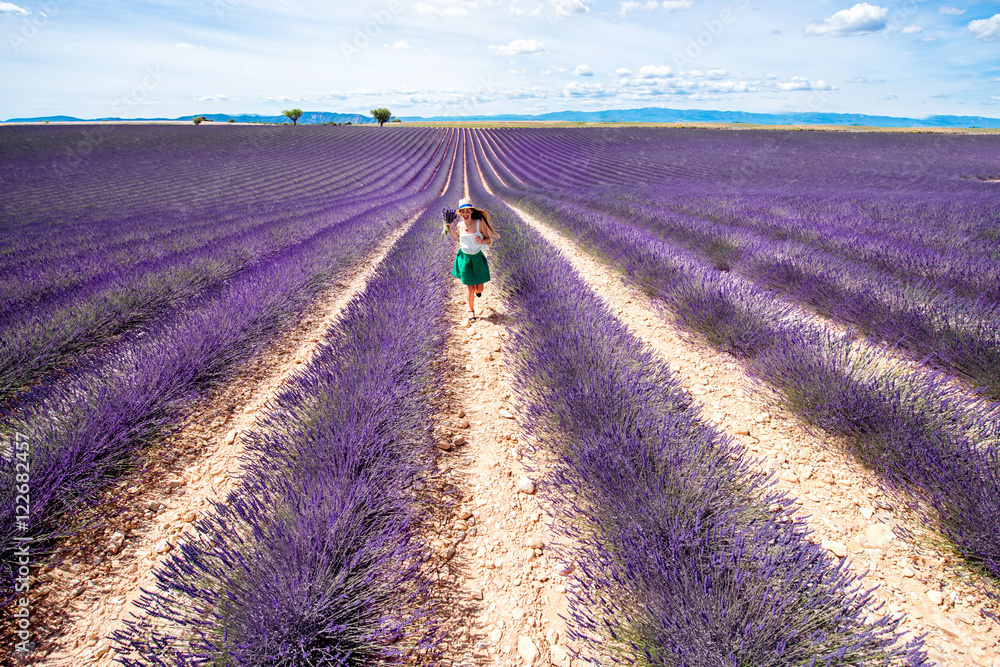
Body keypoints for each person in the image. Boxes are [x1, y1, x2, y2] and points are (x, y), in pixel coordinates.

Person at [449, 197, 494, 323]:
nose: (465, 214)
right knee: (470, 288)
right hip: (465, 258)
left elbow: (488, 239)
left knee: (479, 289)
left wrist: (481, 241)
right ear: (460, 213)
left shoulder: (480, 223)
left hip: (477, 258)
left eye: (467, 211)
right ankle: (471, 311)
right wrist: (451, 231)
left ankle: (478, 292)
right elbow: (460, 240)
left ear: (471, 212)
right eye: (462, 212)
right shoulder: (459, 225)